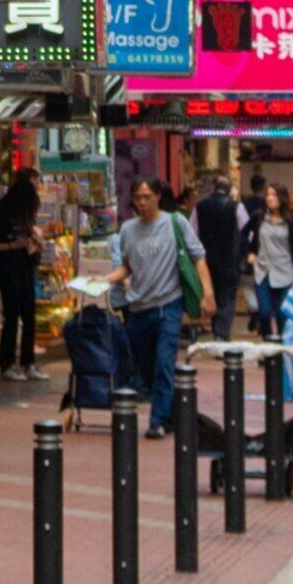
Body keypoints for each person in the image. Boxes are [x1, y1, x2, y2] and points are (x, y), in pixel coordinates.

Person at [108, 178, 197, 436]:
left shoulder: (175, 222)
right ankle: (168, 413)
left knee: (164, 364)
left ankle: (157, 421)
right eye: (138, 197)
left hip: (169, 304)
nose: (143, 203)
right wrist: (107, 279)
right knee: (145, 369)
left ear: (158, 197)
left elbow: (197, 256)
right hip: (138, 308)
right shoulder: (127, 230)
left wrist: (207, 294)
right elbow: (127, 265)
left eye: (147, 197)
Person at [0, 166, 47, 378]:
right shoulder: (0, 214)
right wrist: (13, 246)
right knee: (11, 316)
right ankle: (7, 364)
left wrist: (34, 243)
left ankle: (28, 363)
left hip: (25, 270)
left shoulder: (26, 217)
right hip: (8, 271)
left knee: (29, 317)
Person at [193, 175, 249, 340]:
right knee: (227, 296)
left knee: (213, 293)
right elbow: (245, 230)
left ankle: (218, 330)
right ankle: (221, 333)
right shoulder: (236, 207)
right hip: (229, 259)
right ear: (229, 189)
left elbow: (193, 231)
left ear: (213, 188)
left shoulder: (200, 207)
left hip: (206, 259)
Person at [249, 181, 293, 339]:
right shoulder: (259, 218)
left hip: (285, 272)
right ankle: (267, 346)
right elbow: (245, 237)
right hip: (263, 271)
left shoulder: (292, 220)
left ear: (282, 198)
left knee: (281, 314)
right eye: (267, 195)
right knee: (264, 313)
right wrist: (250, 254)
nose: (269, 198)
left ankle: (280, 350)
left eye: (273, 195)